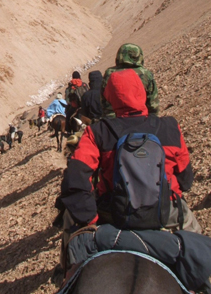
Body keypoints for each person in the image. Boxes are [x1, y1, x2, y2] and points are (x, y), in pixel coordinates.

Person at [55, 68, 200, 271]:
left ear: (110, 98)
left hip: (112, 214)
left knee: (71, 228)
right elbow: (186, 180)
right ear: (143, 92)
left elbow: (75, 179)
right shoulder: (169, 127)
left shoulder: (98, 132)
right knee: (199, 252)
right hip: (166, 212)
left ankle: (67, 272)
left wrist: (91, 219)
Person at [101, 43, 159, 118]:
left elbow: (103, 100)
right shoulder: (145, 74)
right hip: (141, 118)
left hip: (115, 120)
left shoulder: (109, 73)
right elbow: (153, 103)